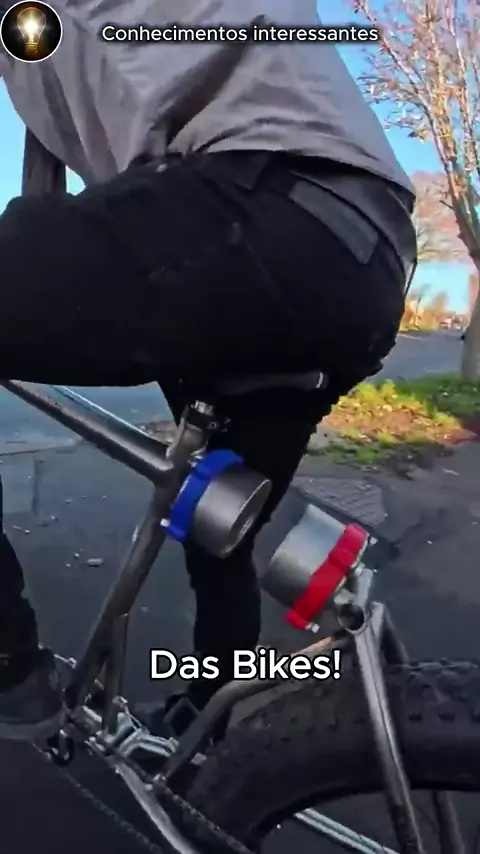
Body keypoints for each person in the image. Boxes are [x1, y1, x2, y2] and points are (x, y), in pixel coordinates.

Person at [0, 0, 417, 742]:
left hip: (260, 203)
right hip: (367, 252)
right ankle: (211, 747)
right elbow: (45, 215)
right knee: (217, 527)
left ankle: (10, 668)